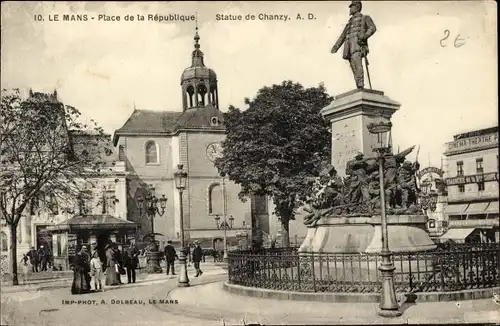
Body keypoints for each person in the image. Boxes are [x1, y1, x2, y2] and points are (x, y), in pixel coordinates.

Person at [331, 1, 377, 89]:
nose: (350, 9)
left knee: (357, 64)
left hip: (358, 45)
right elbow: (343, 36)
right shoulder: (349, 23)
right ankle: (358, 85)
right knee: (353, 67)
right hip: (349, 47)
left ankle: (360, 84)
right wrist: (336, 47)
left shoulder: (365, 18)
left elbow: (372, 28)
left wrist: (365, 35)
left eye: (352, 6)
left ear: (357, 7)